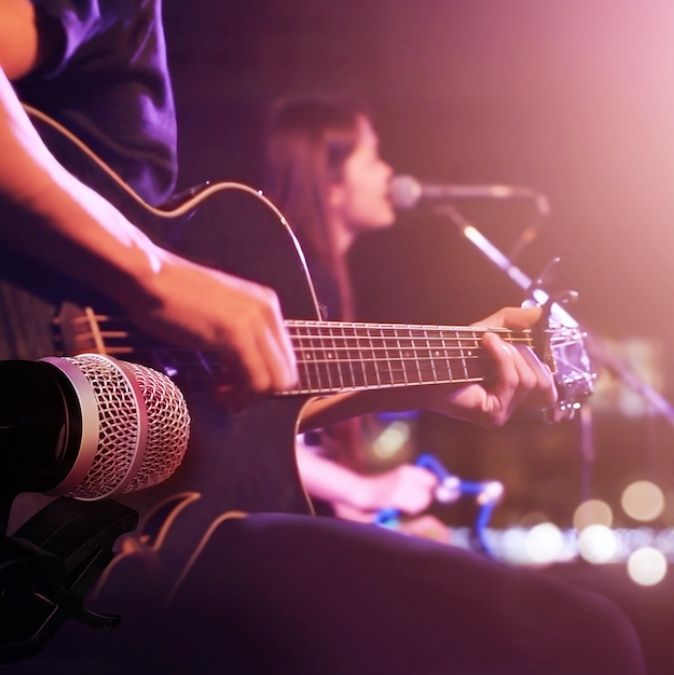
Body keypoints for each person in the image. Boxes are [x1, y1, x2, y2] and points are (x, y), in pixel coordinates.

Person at [0, 3, 646, 674]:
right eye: (372, 153)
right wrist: (157, 275)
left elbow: (223, 409)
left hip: (72, 545)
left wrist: (424, 376)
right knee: (583, 637)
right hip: (65, 524)